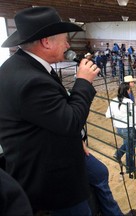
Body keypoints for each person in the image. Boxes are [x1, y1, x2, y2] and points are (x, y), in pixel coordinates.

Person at [0, 6, 100, 215]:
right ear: (46, 42)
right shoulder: (31, 81)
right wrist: (83, 82)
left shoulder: (20, 67)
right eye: (64, 39)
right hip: (53, 184)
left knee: (99, 174)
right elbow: (71, 121)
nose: (68, 44)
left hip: (45, 158)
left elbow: (48, 115)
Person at [106, 83, 136, 174]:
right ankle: (130, 168)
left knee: (129, 143)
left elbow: (108, 115)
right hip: (128, 129)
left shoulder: (113, 101)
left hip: (119, 129)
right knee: (130, 147)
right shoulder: (129, 102)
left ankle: (118, 154)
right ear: (127, 91)